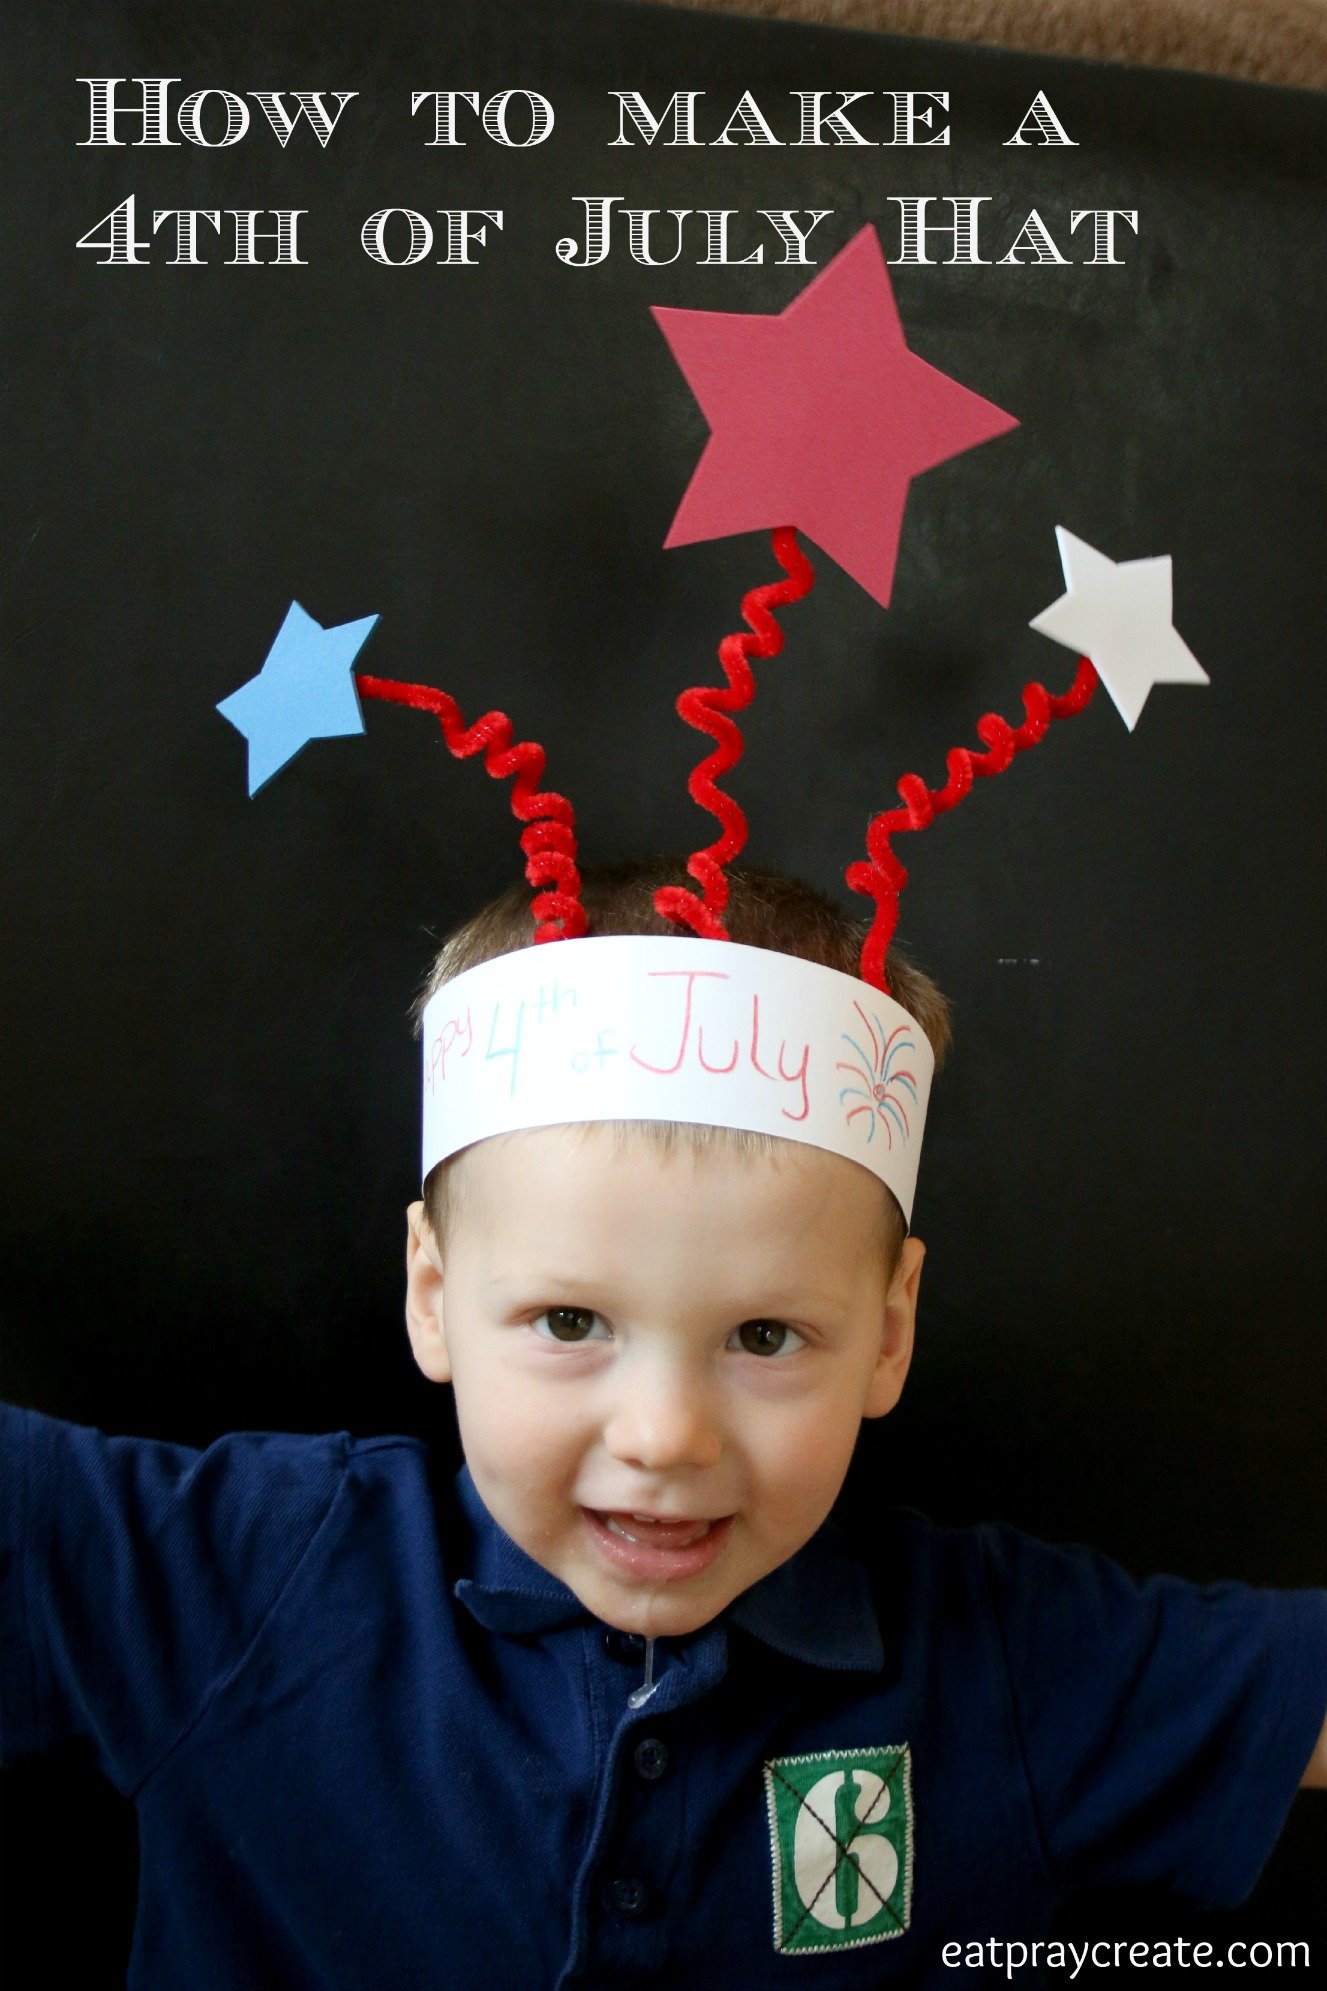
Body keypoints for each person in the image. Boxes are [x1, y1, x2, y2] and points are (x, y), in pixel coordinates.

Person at [2, 859, 1324, 1989]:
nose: (666, 1435)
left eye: (762, 1337)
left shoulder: (1009, 1662)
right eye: (570, 1323)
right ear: (434, 1295)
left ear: (890, 1330)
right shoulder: (236, 1577)